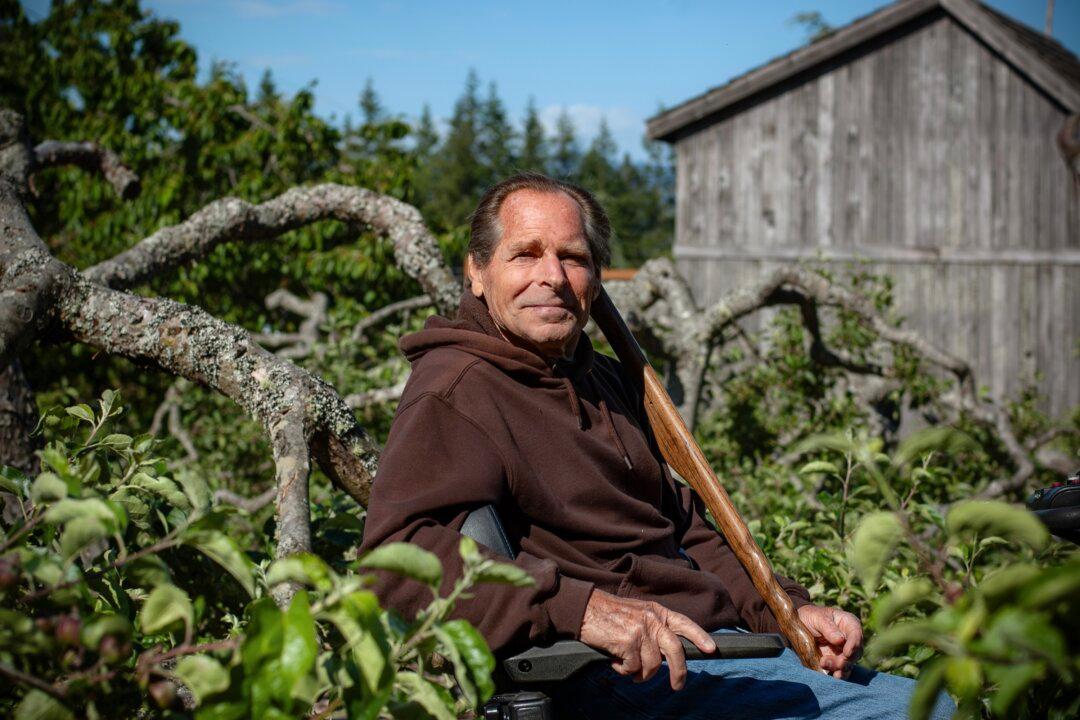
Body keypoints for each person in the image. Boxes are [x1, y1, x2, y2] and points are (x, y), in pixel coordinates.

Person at [359, 172, 954, 719]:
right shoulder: (458, 388)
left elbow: (687, 530)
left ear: (596, 277)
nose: (552, 277)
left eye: (573, 258)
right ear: (477, 271)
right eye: (525, 254)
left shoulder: (609, 382)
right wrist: (582, 610)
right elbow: (397, 559)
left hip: (714, 647)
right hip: (612, 673)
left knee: (933, 701)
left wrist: (786, 610)